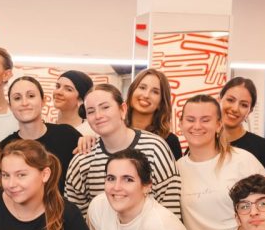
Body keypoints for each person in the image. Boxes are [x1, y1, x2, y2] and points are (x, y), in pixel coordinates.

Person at [174, 93, 265, 230]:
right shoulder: (176, 169)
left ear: (218, 125)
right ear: (181, 124)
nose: (197, 126)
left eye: (205, 120)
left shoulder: (242, 160)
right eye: (190, 119)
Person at [63, 84, 180, 218]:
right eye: (90, 111)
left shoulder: (155, 148)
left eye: (105, 107)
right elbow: (76, 219)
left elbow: (171, 211)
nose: (98, 115)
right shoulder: (82, 160)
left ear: (122, 109)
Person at [1, 74, 78, 171]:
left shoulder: (67, 135)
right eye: (17, 98)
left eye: (31, 96)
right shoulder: (3, 148)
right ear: (10, 106)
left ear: (43, 101)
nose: (24, 103)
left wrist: (89, 141)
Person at [218, 76, 265, 189]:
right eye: (230, 100)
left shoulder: (264, 149)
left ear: (250, 111)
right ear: (219, 100)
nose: (235, 108)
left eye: (244, 105)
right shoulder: (204, 144)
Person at [125, 68, 182, 160]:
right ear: (131, 92)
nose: (146, 95)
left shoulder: (170, 141)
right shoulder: (113, 133)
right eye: (142, 87)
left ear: (161, 103)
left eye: (155, 92)